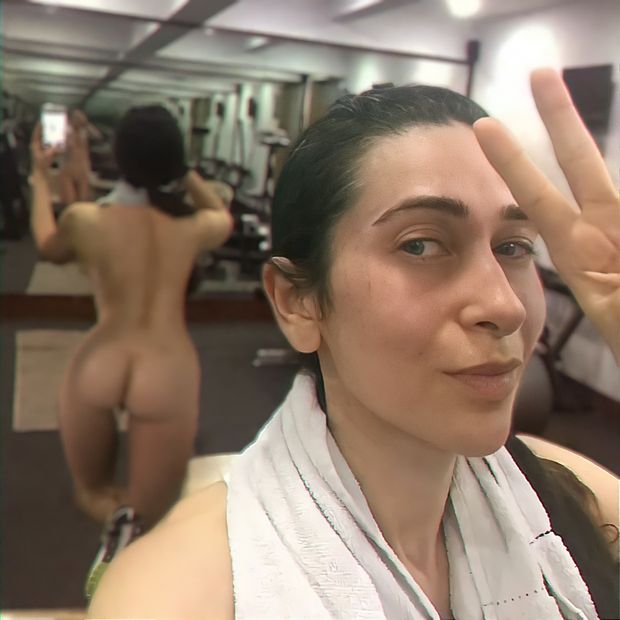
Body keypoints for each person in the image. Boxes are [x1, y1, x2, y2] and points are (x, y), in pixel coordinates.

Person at [88, 69, 619, 619]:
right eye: (420, 245)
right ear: (297, 301)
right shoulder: (178, 595)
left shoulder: (561, 489)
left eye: (513, 247)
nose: (506, 307)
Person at [29, 105, 234, 529]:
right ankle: (135, 539)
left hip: (101, 358)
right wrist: (184, 172)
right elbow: (223, 216)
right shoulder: (191, 228)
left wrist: (39, 177)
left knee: (92, 495)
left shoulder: (85, 220)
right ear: (174, 160)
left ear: (119, 156)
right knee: (154, 518)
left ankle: (114, 529)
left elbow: (47, 244)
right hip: (166, 366)